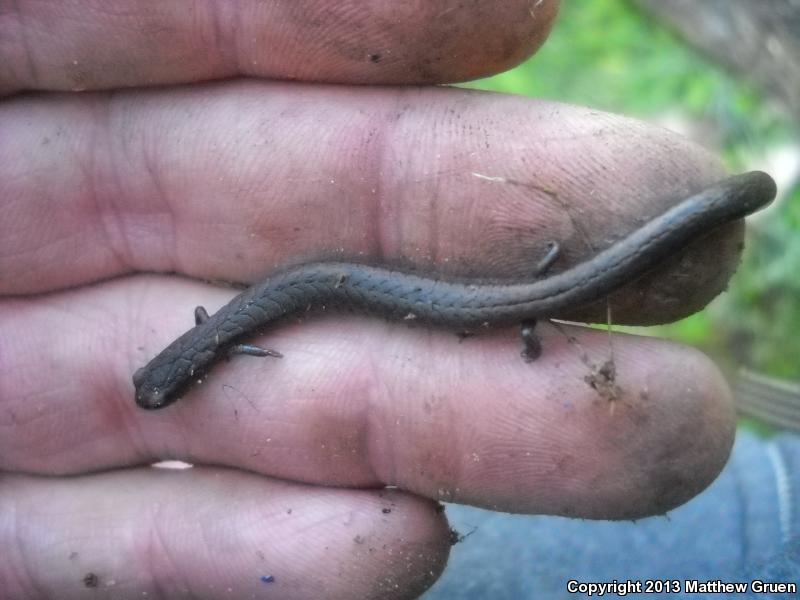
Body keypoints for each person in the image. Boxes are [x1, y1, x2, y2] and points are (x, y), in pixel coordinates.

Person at [1, 1, 796, 597]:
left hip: (473, 298)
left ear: (194, 368)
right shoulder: (214, 335)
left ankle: (709, 213)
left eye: (168, 384)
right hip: (482, 295)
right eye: (167, 386)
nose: (170, 389)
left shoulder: (224, 341)